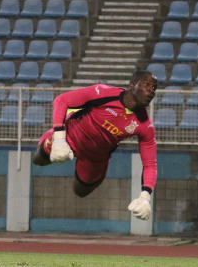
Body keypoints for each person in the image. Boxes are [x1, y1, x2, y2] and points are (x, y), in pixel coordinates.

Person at [33, 71, 158, 221]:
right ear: (133, 85)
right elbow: (61, 100)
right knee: (39, 159)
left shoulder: (145, 125)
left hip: (95, 157)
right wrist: (60, 139)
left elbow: (150, 164)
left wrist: (145, 197)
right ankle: (52, 138)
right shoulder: (103, 92)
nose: (151, 91)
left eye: (154, 88)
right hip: (70, 137)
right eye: (147, 85)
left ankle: (98, 176)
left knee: (81, 192)